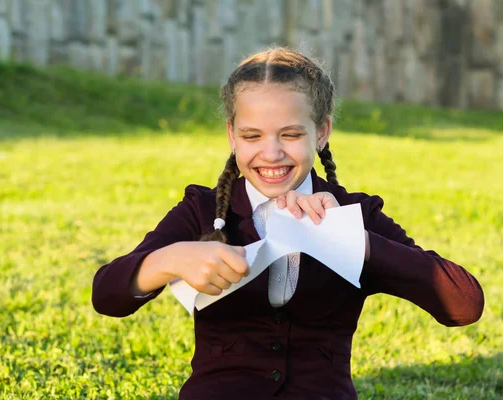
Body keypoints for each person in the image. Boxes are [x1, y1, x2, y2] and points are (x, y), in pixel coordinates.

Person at [92, 47, 484, 399]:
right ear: (232, 135)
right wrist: (169, 259)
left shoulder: (354, 214)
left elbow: (463, 305)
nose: (272, 152)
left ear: (322, 132)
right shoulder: (203, 209)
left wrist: (348, 237)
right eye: (252, 135)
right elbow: (107, 296)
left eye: (292, 134)